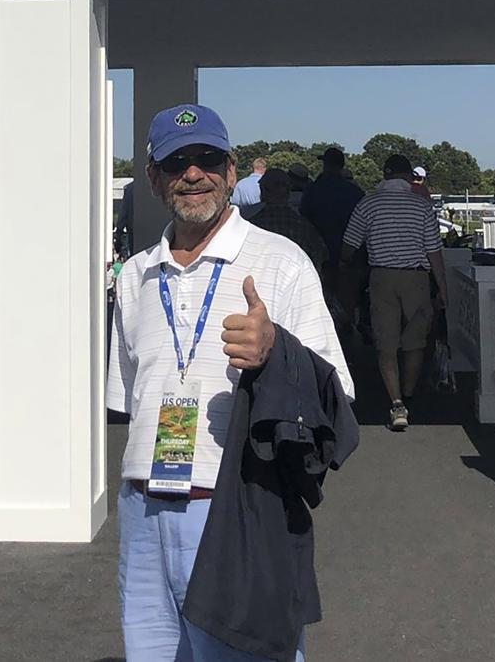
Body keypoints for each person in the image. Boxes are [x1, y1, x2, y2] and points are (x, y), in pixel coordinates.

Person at [108, 104, 353, 661]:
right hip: (144, 508)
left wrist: (276, 354)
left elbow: (338, 395)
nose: (193, 174)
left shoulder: (280, 261)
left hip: (238, 504)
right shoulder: (137, 276)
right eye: (176, 162)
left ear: (232, 169)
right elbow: (129, 395)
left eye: (206, 159)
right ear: (153, 178)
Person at [341, 154, 447, 431]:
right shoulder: (421, 206)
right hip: (416, 277)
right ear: (409, 176)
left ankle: (396, 402)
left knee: (385, 342)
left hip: (382, 276)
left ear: (385, 175)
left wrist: (344, 264)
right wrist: (443, 289)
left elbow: (350, 244)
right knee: (415, 341)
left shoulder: (369, 203)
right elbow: (434, 251)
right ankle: (410, 392)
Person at [299, 147, 365, 288]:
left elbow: (303, 218)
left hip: (319, 254)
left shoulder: (313, 189)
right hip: (349, 255)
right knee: (347, 302)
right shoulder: (355, 192)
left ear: (325, 165)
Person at [249, 168, 328, 272]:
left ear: (264, 191)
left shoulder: (253, 225)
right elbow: (321, 254)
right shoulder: (303, 226)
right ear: (288, 193)